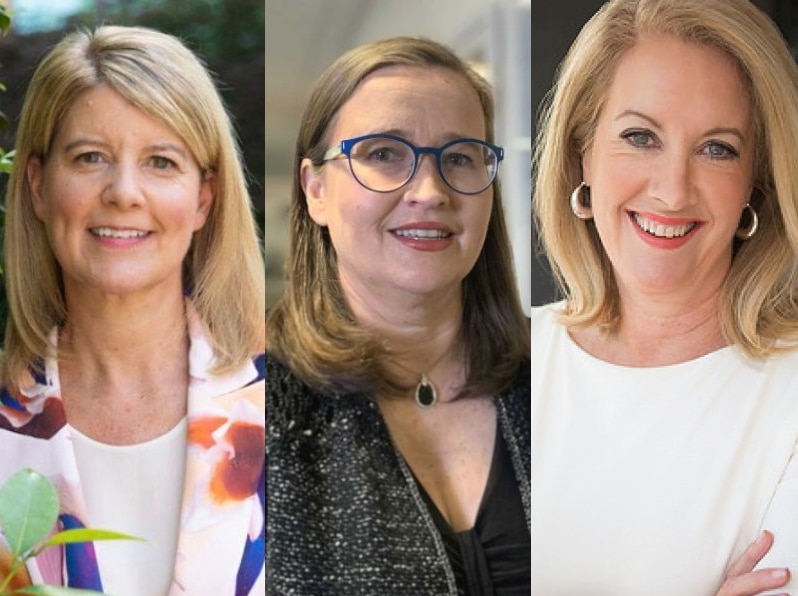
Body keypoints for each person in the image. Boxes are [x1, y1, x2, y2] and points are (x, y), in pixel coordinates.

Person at [532, 0, 798, 594]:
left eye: (717, 148)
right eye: (639, 136)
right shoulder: (509, 355)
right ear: (583, 153)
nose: (673, 190)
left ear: (757, 179)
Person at [0, 26, 265, 595]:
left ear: (203, 199)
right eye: (90, 157)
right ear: (39, 187)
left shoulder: (294, 408)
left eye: (161, 162)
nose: (124, 192)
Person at [265, 36, 530, 595]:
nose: (430, 192)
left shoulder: (557, 376)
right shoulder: (251, 399)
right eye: (384, 153)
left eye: (459, 157)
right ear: (315, 190)